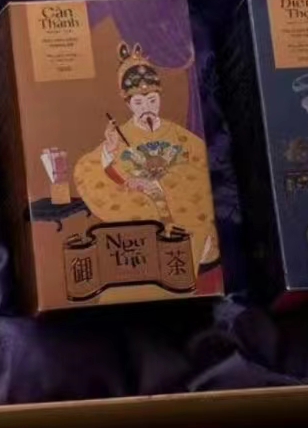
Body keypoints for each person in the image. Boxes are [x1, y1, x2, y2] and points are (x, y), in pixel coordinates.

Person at [73, 42, 219, 293]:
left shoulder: (177, 134)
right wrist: (110, 149)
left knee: (194, 217)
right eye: (139, 103)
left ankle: (179, 279)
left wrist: (165, 183)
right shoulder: (120, 136)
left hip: (179, 206)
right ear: (129, 104)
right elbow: (91, 168)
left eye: (152, 100)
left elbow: (202, 164)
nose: (146, 108)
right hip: (141, 202)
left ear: (159, 98)